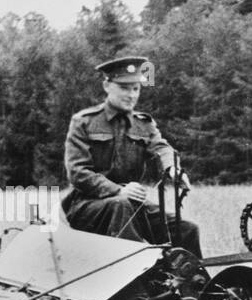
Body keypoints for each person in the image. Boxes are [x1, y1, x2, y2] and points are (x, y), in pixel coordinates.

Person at [61, 55, 202, 257]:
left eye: (136, 89)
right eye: (124, 88)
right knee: (121, 205)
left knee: (187, 229)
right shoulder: (84, 122)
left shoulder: (143, 124)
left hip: (131, 204)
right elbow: (78, 173)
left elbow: (161, 147)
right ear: (107, 86)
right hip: (87, 206)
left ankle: (196, 285)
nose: (131, 95)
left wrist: (173, 169)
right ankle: (137, 282)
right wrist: (117, 190)